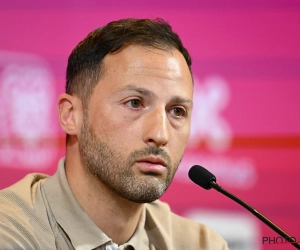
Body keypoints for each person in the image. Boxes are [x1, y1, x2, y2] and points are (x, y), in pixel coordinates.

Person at [0, 18, 229, 250]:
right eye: (134, 103)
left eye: (177, 111)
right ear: (71, 115)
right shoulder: (10, 231)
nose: (160, 135)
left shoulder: (202, 245)